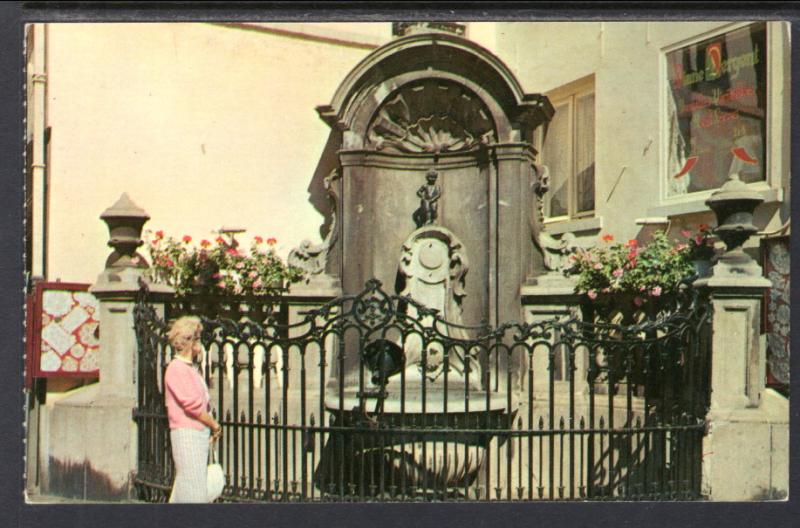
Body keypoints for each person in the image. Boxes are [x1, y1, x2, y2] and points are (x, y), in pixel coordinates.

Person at [164, 315, 222, 503]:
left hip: (197, 433)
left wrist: (209, 428)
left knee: (187, 488)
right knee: (193, 492)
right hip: (187, 434)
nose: (200, 342)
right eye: (197, 338)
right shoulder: (176, 368)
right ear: (188, 341)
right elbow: (193, 406)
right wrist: (214, 425)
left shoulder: (189, 368)